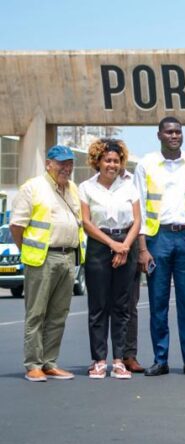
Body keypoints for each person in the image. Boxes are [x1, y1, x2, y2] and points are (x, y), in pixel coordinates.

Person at [134, 116, 185, 377]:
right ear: (159, 135)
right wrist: (142, 248)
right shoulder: (146, 164)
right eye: (169, 132)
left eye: (178, 132)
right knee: (158, 302)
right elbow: (139, 205)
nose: (174, 136)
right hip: (157, 238)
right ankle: (160, 359)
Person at [10, 145, 85, 382]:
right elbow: (16, 226)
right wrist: (29, 251)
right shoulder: (32, 188)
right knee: (36, 314)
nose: (67, 168)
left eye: (70, 163)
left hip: (67, 257)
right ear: (48, 164)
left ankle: (49, 362)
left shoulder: (72, 188)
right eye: (61, 163)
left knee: (58, 313)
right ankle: (33, 364)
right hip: (42, 258)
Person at [79, 139, 140, 380]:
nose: (112, 165)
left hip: (126, 244)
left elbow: (137, 220)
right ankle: (99, 360)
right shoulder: (86, 187)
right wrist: (113, 244)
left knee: (122, 305)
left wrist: (124, 246)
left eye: (116, 160)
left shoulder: (130, 185)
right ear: (98, 161)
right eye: (107, 160)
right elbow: (86, 222)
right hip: (98, 247)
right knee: (98, 306)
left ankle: (118, 360)